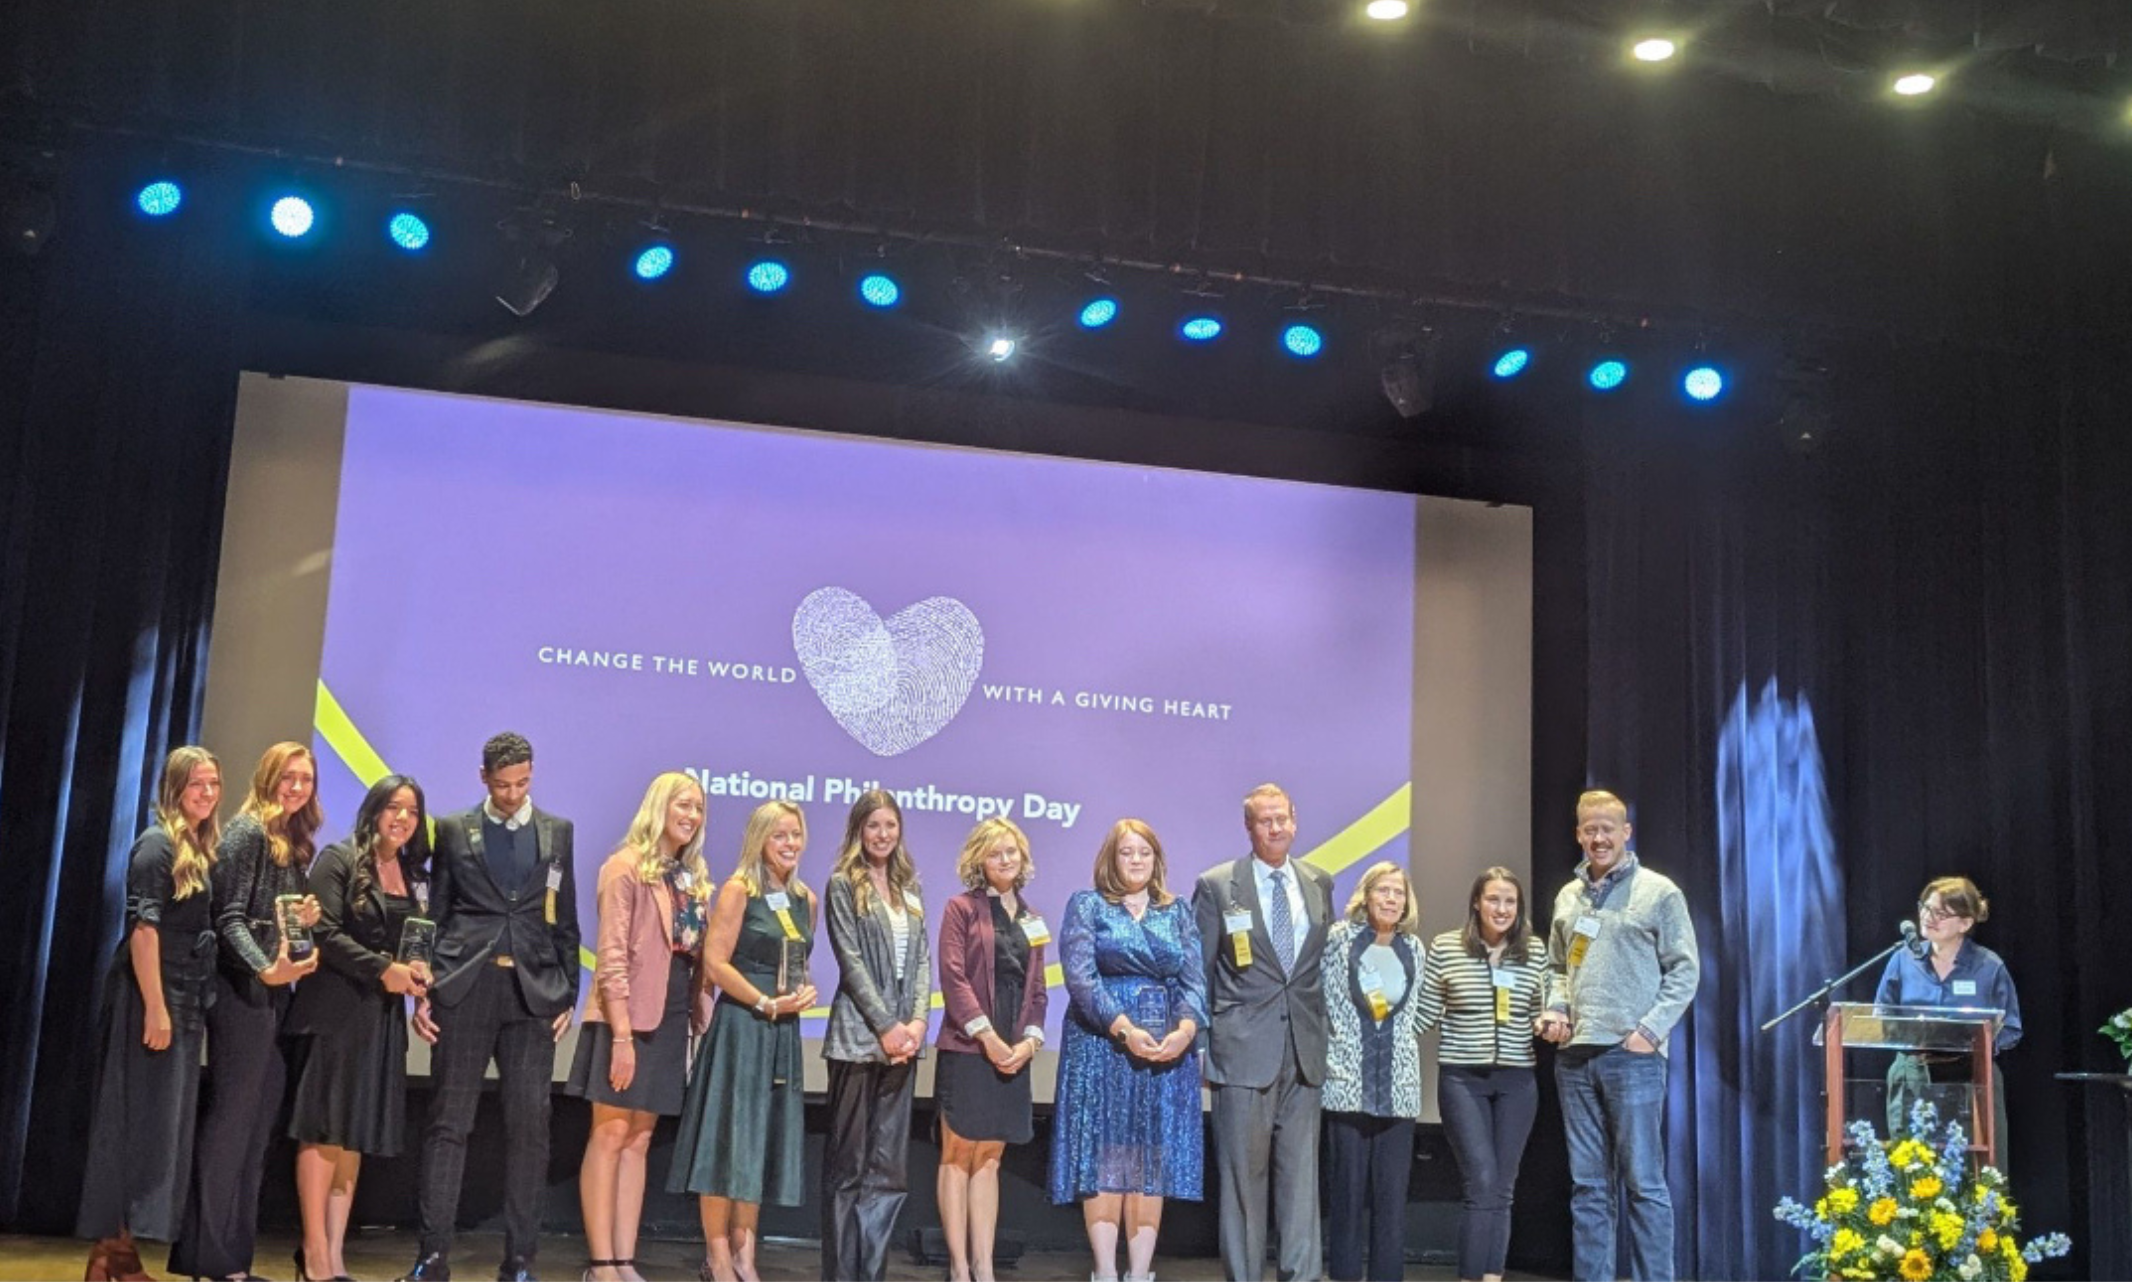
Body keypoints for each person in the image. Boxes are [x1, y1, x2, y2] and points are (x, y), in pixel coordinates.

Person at [399, 732, 580, 1282]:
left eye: (521, 783)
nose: (512, 793)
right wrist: (424, 989)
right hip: (464, 988)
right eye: (502, 785)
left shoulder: (557, 831)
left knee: (530, 1127)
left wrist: (569, 989)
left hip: (532, 996)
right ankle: (433, 1257)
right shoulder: (453, 829)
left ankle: (520, 1261)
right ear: (483, 778)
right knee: (448, 1125)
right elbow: (437, 912)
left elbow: (563, 914)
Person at [172, 741, 323, 1282]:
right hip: (241, 995)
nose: (297, 786)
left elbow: (269, 919)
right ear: (267, 777)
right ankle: (206, 1258)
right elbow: (229, 916)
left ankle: (232, 1261)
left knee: (255, 1130)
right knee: (231, 1127)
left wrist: (301, 920)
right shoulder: (247, 831)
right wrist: (264, 969)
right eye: (288, 777)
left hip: (273, 999)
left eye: (305, 778)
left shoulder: (290, 839)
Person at [1536, 790, 1700, 1282]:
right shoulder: (1569, 896)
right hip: (1575, 1060)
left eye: (1608, 827)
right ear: (1578, 834)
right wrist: (1557, 1008)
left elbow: (1685, 971)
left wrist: (1648, 1032)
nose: (1598, 837)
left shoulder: (1659, 892)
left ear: (1626, 832)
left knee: (1644, 1185)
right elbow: (1557, 967)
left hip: (1633, 1059)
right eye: (1590, 828)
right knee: (1588, 1189)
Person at [79, 746, 224, 1282]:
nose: (207, 794)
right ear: (174, 789)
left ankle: (112, 1258)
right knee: (131, 1124)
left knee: (155, 1132)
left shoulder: (197, 845)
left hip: (182, 997)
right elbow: (144, 932)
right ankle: (114, 1254)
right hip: (149, 998)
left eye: (212, 784)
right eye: (196, 785)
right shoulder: (156, 845)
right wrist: (156, 1010)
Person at [567, 771, 714, 1282]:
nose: (692, 816)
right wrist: (622, 1035)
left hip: (670, 1014)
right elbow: (610, 958)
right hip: (621, 1017)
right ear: (658, 806)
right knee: (609, 1135)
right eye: (683, 805)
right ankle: (601, 1263)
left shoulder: (691, 876)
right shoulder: (624, 866)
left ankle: (625, 1260)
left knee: (640, 1139)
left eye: (698, 807)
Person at [286, 775, 433, 1282]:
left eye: (412, 811)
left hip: (380, 1018)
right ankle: (313, 1255)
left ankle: (335, 1255)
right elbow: (322, 931)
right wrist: (382, 969)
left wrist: (416, 976)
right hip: (334, 1012)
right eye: (394, 807)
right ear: (373, 810)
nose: (403, 818)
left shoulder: (413, 873)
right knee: (324, 1131)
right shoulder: (340, 858)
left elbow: (413, 942)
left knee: (352, 1138)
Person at [668, 800, 818, 1282]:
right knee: (725, 1143)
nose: (790, 844)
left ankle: (744, 1257)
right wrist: (764, 1002)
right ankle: (716, 1258)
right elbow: (715, 964)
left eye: (795, 835)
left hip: (782, 1034)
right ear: (759, 840)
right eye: (780, 836)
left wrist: (800, 992)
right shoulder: (738, 890)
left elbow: (793, 960)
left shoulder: (806, 900)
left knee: (758, 1145)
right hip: (741, 1027)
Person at [1051, 818, 1206, 1282]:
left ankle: (1139, 1273)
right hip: (1101, 1046)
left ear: (1156, 859)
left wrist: (1183, 1031)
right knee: (1106, 1157)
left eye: (1144, 852)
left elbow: (1193, 981)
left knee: (1148, 1160)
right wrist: (1123, 1029)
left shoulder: (1176, 910)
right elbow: (1080, 978)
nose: (1136, 860)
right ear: (1110, 859)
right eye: (1127, 852)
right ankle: (1104, 1270)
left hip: (1164, 1052)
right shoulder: (1088, 905)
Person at [1191, 783, 1333, 1282]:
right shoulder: (1217, 885)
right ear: (1248, 827)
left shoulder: (1320, 882)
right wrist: (1202, 1048)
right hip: (1241, 1051)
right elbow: (1198, 973)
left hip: (1303, 1052)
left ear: (1295, 820)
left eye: (1282, 818)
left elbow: (1311, 974)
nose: (1275, 828)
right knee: (1243, 1186)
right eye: (1264, 820)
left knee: (1301, 1184)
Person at [821, 790, 933, 1282]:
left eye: (890, 825)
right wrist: (887, 1025)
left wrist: (918, 1023)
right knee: (849, 1170)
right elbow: (851, 961)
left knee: (889, 1172)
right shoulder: (843, 884)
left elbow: (923, 961)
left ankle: (873, 1274)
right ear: (858, 831)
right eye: (873, 826)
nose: (882, 834)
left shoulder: (910, 887)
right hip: (858, 1039)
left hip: (904, 1046)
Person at [1418, 867, 1548, 1282]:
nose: (1502, 908)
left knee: (1503, 1187)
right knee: (1482, 1181)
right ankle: (1471, 1277)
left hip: (1517, 1082)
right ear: (1476, 902)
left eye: (1510, 901)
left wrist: (1550, 1020)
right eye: (1493, 899)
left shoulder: (1534, 951)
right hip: (1463, 1080)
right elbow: (1422, 1013)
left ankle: (1493, 1276)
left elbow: (1539, 1011)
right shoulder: (1446, 947)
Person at [934, 818, 1050, 1282]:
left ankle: (984, 1266)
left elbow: (1038, 990)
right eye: (996, 853)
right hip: (969, 1045)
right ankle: (959, 1267)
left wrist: (1028, 1042)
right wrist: (988, 1038)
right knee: (958, 1154)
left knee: (991, 1158)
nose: (1005, 860)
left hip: (1013, 1048)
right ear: (979, 860)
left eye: (1012, 853)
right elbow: (953, 977)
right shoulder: (960, 908)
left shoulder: (1032, 917)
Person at [1321, 861, 1429, 1282]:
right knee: (1346, 1200)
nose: (1391, 899)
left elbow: (1416, 1013)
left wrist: (1398, 1044)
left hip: (1398, 1091)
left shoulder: (1414, 949)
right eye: (1383, 890)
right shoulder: (1339, 940)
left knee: (1391, 1203)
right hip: (1347, 1085)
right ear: (1365, 896)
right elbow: (1321, 999)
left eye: (1398, 892)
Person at [1875, 876, 2020, 1160]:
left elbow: (2012, 1028)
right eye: (1925, 908)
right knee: (1913, 1168)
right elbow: (1882, 1014)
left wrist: (1978, 1047)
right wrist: (1906, 1033)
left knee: (1977, 1170)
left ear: (1965, 924)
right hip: (1912, 1074)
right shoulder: (1902, 959)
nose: (1928, 918)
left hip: (1971, 1076)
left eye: (1940, 913)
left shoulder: (1989, 967)